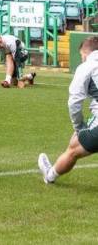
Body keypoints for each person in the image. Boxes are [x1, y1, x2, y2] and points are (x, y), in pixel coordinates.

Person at [38, 36, 98, 184]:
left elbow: (74, 102)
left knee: (73, 150)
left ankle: (50, 175)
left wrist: (78, 128)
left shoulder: (87, 66)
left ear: (85, 53)